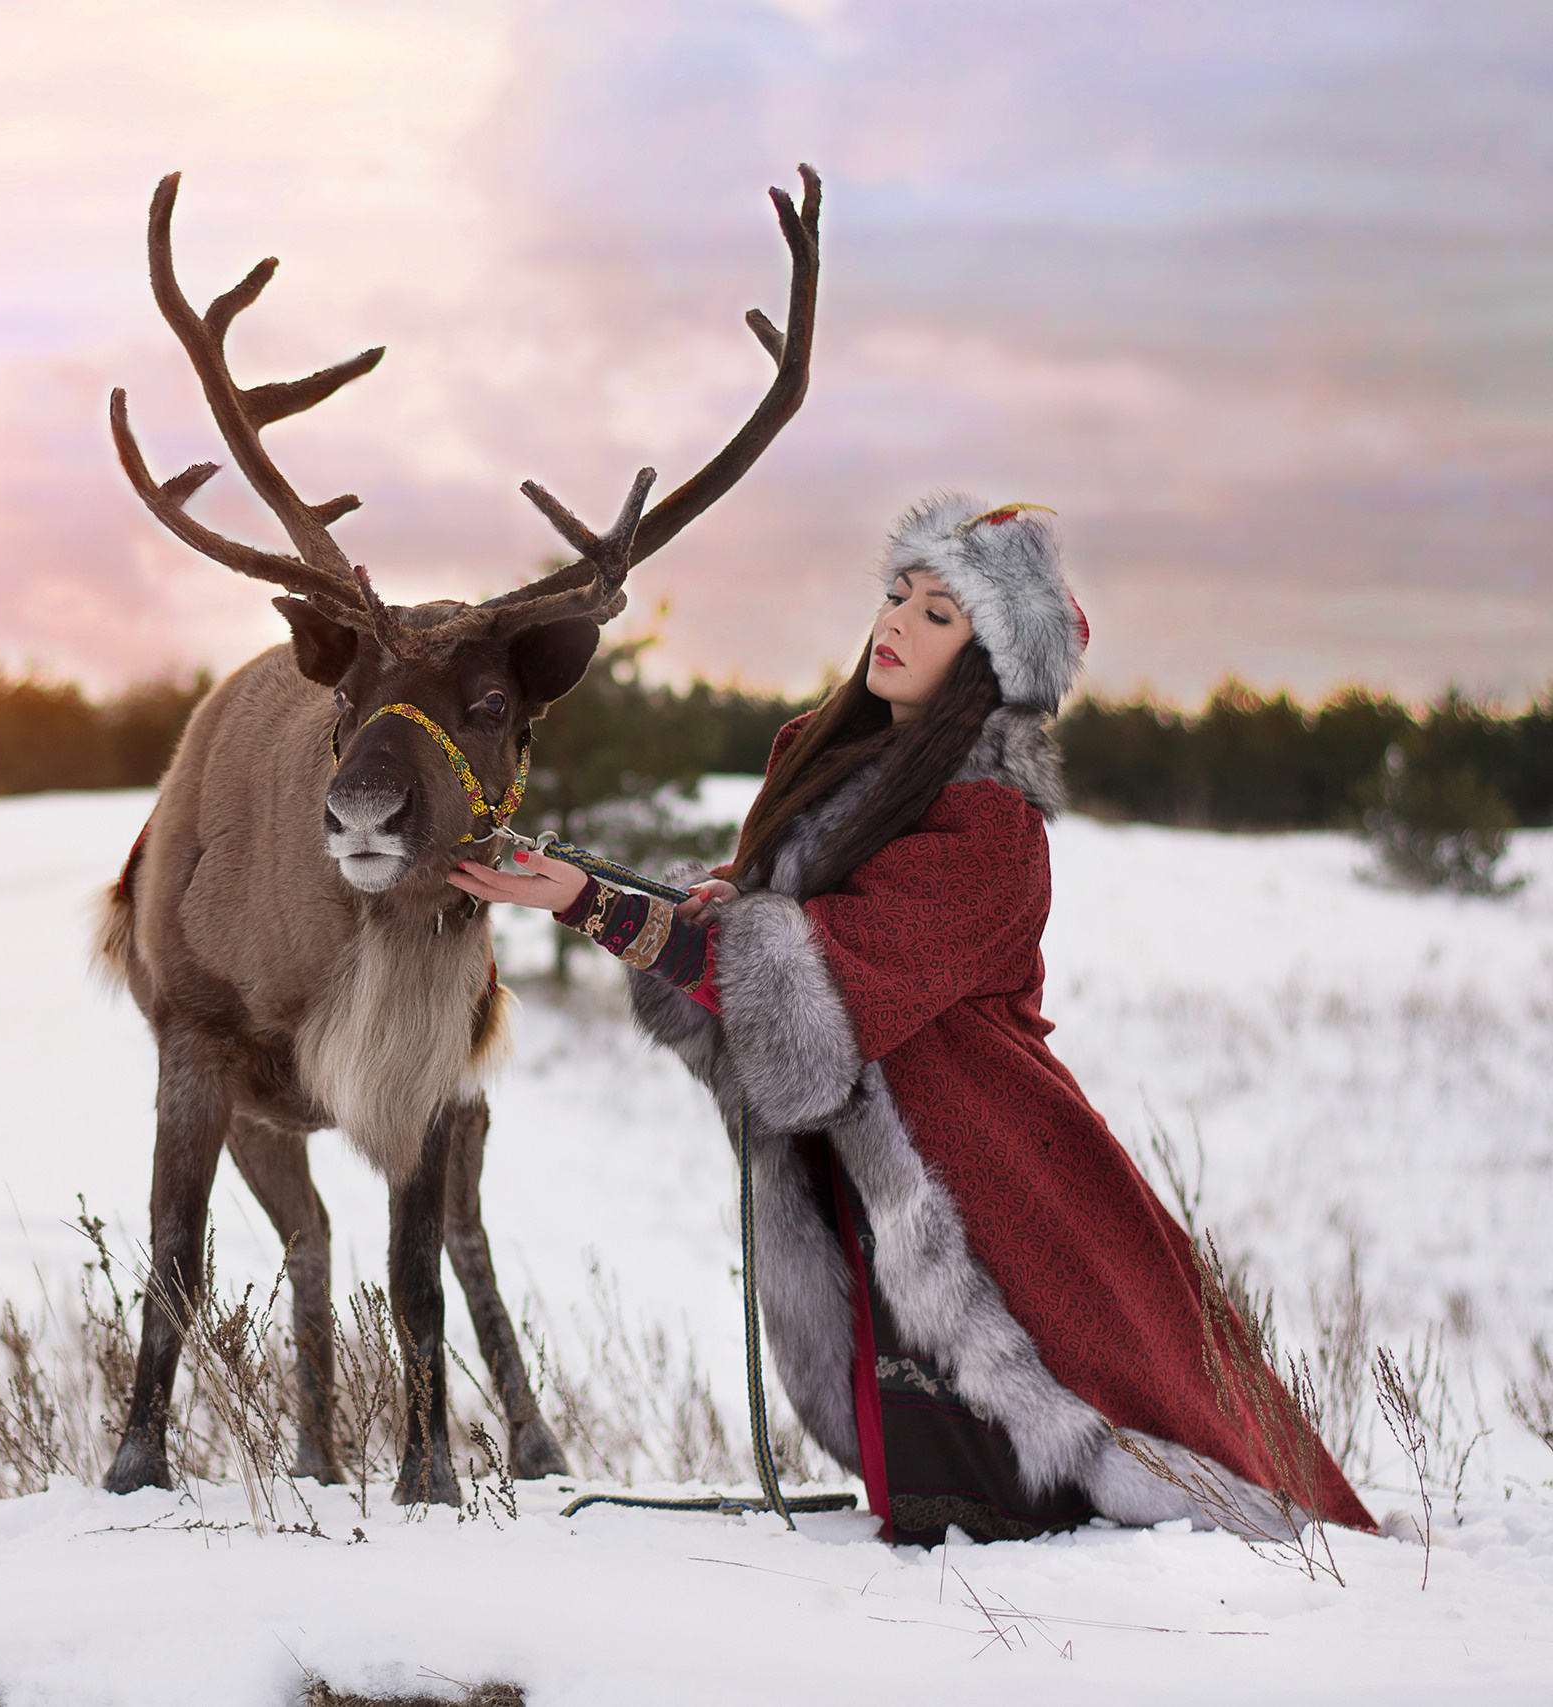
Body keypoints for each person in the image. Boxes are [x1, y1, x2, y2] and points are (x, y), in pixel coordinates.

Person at [448, 493, 1376, 1546]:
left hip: (986, 1182)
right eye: (896, 594)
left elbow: (825, 978)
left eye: (939, 613)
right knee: (929, 1506)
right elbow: (768, 943)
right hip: (874, 1171)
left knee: (1059, 1499)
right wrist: (630, 891)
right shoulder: (827, 767)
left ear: (988, 659)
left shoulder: (990, 820)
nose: (894, 622)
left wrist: (589, 902)